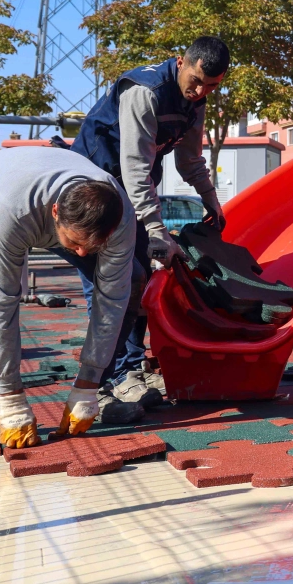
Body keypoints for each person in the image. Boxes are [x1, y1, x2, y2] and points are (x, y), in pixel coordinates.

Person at [0, 145, 136, 450]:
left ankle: (97, 391)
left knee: (134, 280)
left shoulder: (120, 217)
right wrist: (11, 399)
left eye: (92, 246)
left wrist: (88, 383)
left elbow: (112, 299)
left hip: (48, 204)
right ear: (56, 213)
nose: (82, 253)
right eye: (75, 243)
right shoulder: (15, 209)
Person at [70, 36, 230, 408]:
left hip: (130, 193)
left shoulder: (196, 102)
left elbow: (190, 161)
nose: (200, 91)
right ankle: (106, 380)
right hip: (93, 193)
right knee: (108, 284)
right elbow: (135, 168)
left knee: (139, 279)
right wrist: (156, 230)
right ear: (181, 62)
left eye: (211, 86)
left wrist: (211, 200)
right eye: (196, 81)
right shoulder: (144, 91)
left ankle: (129, 369)